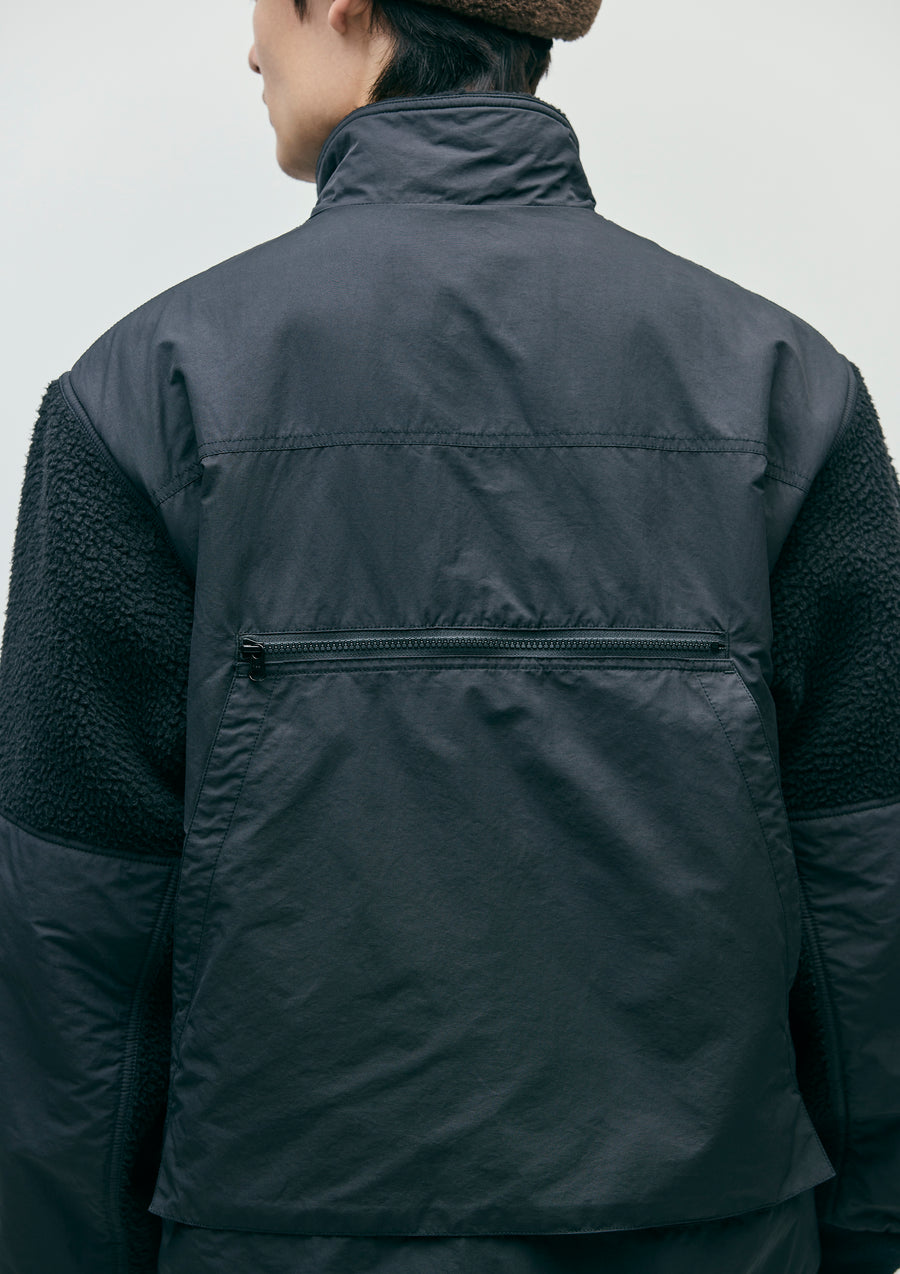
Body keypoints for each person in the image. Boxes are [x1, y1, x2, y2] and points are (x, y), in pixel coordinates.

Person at [0, 0, 898, 1269]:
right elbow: (867, 888)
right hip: (715, 1230)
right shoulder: (786, 389)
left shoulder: (142, 396)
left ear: (345, 5)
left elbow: (75, 924)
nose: (250, 47)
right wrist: (867, 1232)